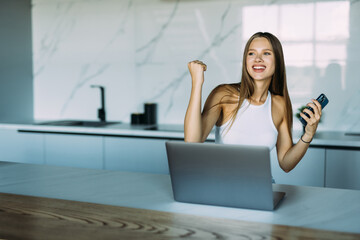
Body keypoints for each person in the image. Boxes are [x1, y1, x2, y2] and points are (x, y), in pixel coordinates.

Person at [184, 32, 322, 173]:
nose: (258, 59)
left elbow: (286, 164)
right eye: (251, 54)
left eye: (266, 53)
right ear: (245, 61)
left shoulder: (279, 104)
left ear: (278, 61)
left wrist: (308, 135)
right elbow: (192, 143)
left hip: (262, 189)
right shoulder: (224, 95)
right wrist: (197, 83)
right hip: (222, 187)